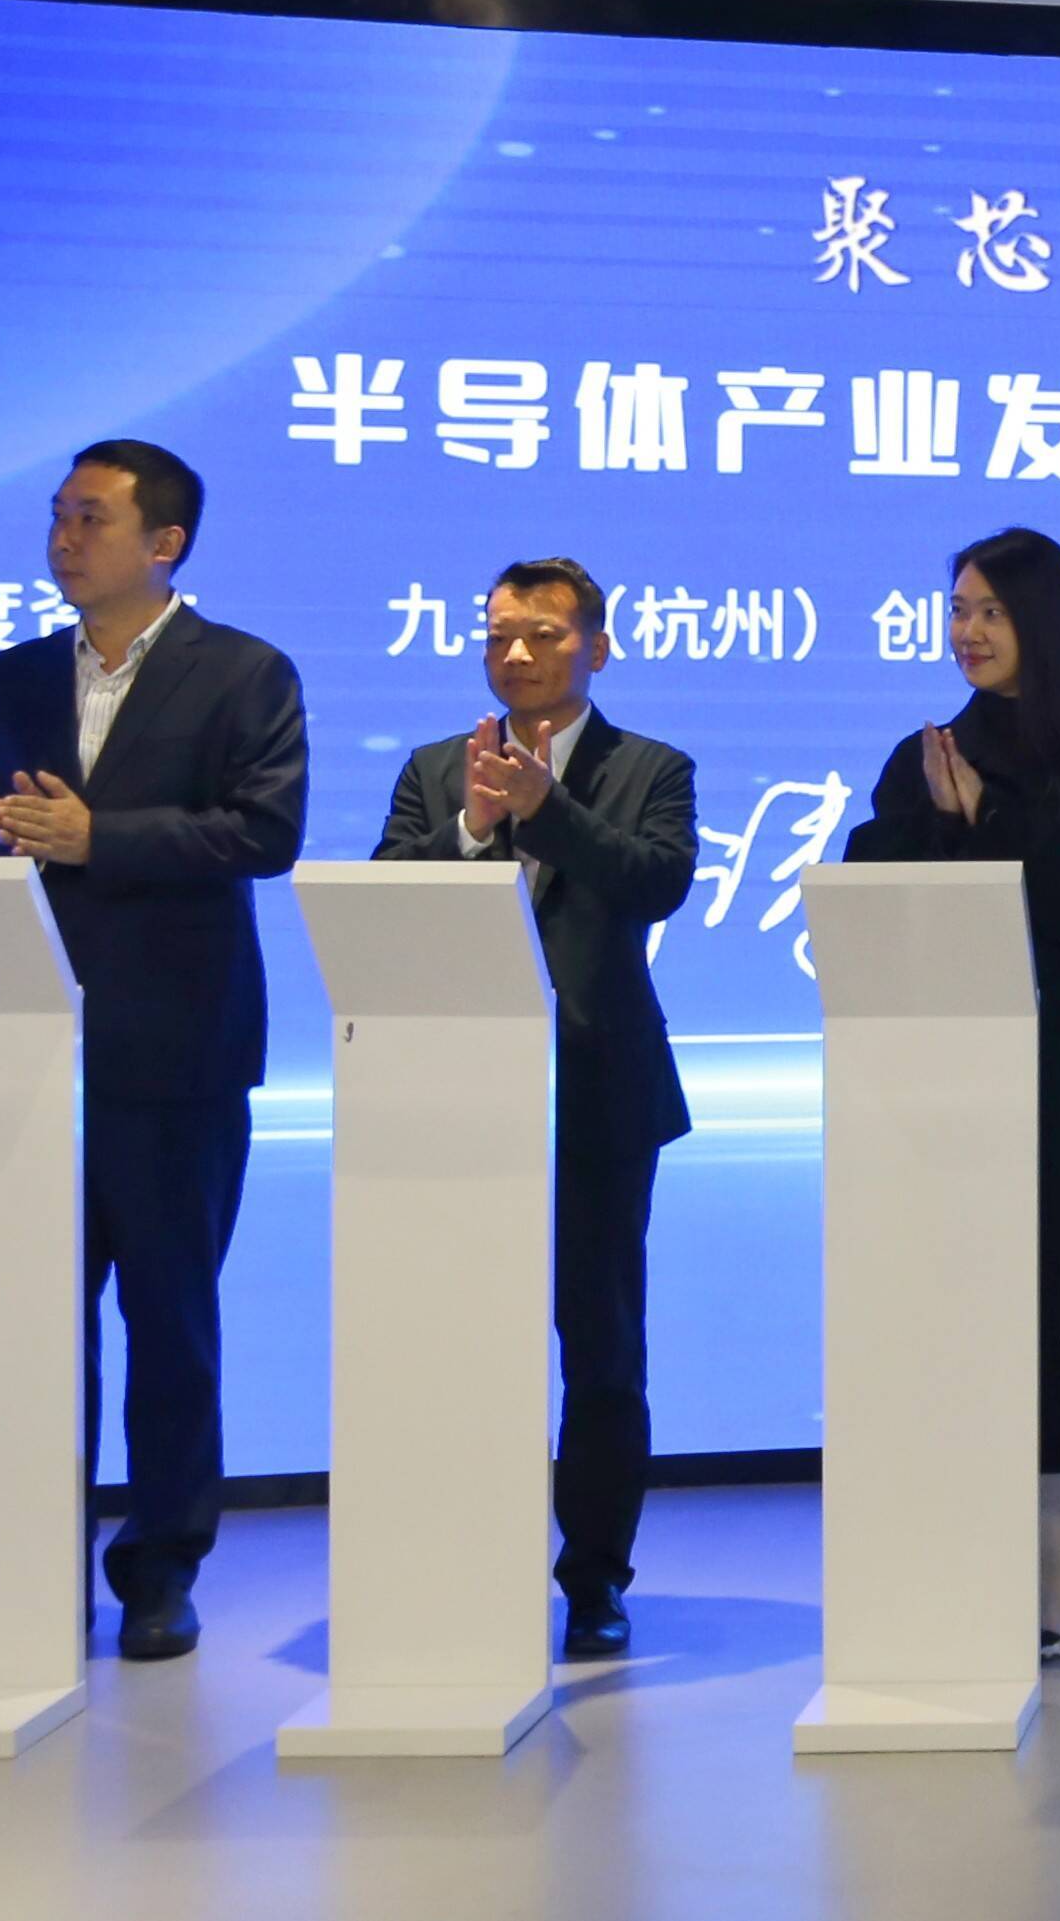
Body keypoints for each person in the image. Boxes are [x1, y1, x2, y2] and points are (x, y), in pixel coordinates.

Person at [0, 440, 305, 1665]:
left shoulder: (243, 672)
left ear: (165, 543)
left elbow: (263, 832)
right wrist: (6, 833)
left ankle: (159, 1568)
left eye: (92, 518)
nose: (64, 538)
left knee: (169, 1323)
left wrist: (99, 836)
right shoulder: (13, 676)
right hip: (31, 1051)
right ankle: (35, 1562)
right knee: (37, 1322)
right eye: (58, 515)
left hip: (177, 1051)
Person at [841, 527, 1060, 1660]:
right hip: (941, 1071)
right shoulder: (928, 753)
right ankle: (950, 1580)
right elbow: (876, 882)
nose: (967, 630)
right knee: (952, 1319)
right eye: (959, 608)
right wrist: (939, 819)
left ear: (1046, 620)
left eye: (990, 609)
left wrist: (989, 818)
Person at [368, 556, 699, 1660]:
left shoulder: (650, 767)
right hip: (461, 1101)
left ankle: (595, 1577)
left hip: (598, 1094)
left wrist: (545, 812)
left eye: (544, 635)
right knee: (461, 1344)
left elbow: (655, 880)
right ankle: (465, 1562)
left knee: (600, 1352)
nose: (516, 653)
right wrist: (470, 830)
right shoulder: (433, 770)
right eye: (499, 633)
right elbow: (385, 902)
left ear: (596, 647)